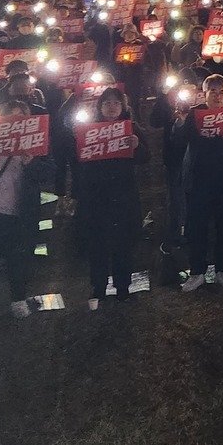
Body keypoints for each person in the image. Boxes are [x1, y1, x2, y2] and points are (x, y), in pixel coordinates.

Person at [0, 97, 51, 322]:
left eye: (20, 118)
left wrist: (31, 163)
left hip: (21, 214)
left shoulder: (36, 145)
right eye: (10, 117)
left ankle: (18, 299)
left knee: (19, 260)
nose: (15, 122)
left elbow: (48, 173)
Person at [76, 88, 150, 309]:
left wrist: (137, 146)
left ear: (123, 106)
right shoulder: (90, 130)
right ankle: (98, 287)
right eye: (107, 103)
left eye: (116, 103)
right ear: (99, 107)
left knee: (123, 243)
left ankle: (123, 286)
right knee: (98, 243)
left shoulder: (132, 128)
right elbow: (78, 160)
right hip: (97, 196)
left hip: (124, 195)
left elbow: (146, 158)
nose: (111, 107)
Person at [176, 74, 223, 292]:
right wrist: (181, 121)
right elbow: (179, 140)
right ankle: (197, 271)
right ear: (204, 93)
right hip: (199, 179)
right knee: (197, 227)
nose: (217, 96)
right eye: (213, 91)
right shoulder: (194, 114)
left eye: (222, 91)